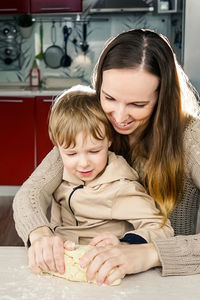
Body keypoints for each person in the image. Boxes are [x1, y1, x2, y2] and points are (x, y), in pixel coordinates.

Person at [13, 29, 200, 285]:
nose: (119, 117)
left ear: (162, 98)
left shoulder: (191, 138)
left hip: (171, 283)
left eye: (138, 105)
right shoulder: (95, 124)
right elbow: (30, 194)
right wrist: (40, 234)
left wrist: (149, 252)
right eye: (109, 98)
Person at [47, 85, 173, 257]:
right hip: (67, 265)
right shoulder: (61, 178)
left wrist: (125, 243)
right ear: (57, 146)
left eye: (94, 151)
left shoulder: (120, 188)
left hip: (104, 267)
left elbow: (162, 228)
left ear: (109, 141)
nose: (83, 163)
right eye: (71, 153)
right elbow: (56, 223)